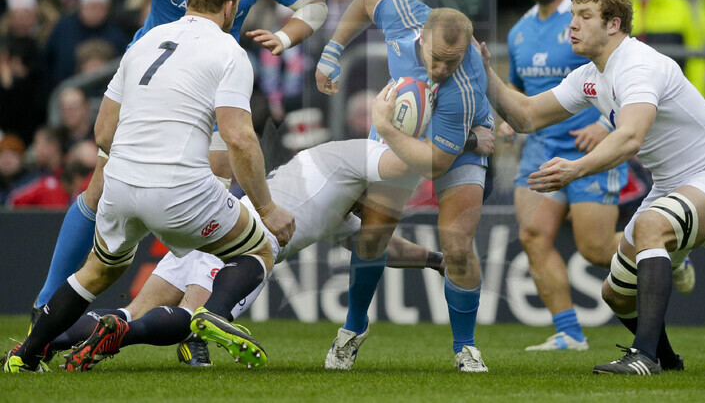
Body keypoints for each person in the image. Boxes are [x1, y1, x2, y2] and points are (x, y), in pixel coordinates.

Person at [31, 0, 327, 322]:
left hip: (209, 87)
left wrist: (286, 36)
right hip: (150, 85)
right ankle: (45, 304)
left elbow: (315, 4)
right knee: (100, 184)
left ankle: (191, 318)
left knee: (213, 198)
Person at [4, 0, 296, 373]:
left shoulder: (143, 42)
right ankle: (211, 315)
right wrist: (267, 208)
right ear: (230, 6)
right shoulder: (228, 51)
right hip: (180, 189)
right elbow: (239, 137)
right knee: (258, 250)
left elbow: (103, 132)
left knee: (94, 273)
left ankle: (27, 355)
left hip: (121, 183)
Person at [482, 0, 705, 375]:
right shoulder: (589, 74)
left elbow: (628, 138)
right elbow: (525, 116)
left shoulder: (638, 65)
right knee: (615, 294)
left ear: (613, 25)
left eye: (585, 16)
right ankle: (665, 359)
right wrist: (485, 70)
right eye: (573, 15)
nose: (571, 25)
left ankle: (642, 357)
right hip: (672, 187)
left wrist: (575, 169)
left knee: (648, 225)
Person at [39, 137, 451, 369]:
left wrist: (436, 261)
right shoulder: (347, 162)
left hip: (213, 228)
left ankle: (41, 344)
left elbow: (383, 246)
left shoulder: (337, 204)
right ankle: (119, 335)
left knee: (138, 309)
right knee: (189, 322)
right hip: (244, 249)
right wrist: (459, 139)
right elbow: (400, 168)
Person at [316, 0, 494, 372]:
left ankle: (465, 347)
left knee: (458, 244)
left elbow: (435, 164)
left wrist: (387, 129)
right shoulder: (401, 14)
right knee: (373, 233)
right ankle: (353, 327)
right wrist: (332, 50)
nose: (441, 70)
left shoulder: (459, 87)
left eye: (453, 60)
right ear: (422, 35)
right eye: (436, 58)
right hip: (403, 124)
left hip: (460, 140)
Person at [499, 0, 629, 352]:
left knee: (595, 250)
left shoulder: (586, 23)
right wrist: (507, 122)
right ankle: (569, 332)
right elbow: (519, 92)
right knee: (533, 235)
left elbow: (629, 78)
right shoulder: (518, 31)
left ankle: (662, 249)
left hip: (593, 146)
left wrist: (608, 128)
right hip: (540, 148)